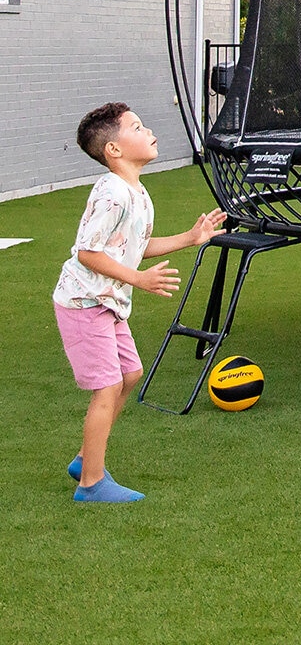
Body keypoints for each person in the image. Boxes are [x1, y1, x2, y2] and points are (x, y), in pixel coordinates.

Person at [52, 103, 227, 503]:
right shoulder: (112, 192)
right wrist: (139, 280)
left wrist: (189, 237)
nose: (148, 130)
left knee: (130, 373)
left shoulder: (137, 192)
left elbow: (133, 245)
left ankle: (85, 458)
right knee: (109, 385)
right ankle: (91, 484)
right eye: (136, 126)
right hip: (83, 302)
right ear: (114, 149)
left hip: (107, 302)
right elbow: (88, 253)